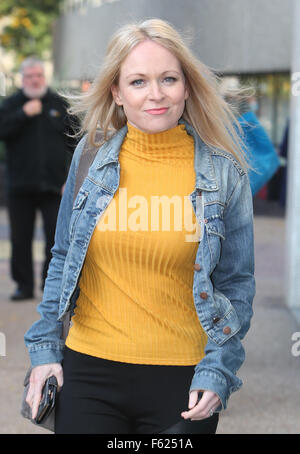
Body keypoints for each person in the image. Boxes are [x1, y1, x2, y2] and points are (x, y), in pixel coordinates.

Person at [24, 19, 255, 434]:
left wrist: (218, 371)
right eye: (137, 81)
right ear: (116, 91)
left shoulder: (224, 174)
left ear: (186, 86)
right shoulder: (90, 159)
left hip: (183, 382)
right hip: (89, 373)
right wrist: (44, 351)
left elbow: (236, 286)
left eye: (168, 78)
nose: (156, 94)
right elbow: (61, 258)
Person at [0, 57, 78, 301]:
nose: (35, 80)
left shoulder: (58, 104)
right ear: (23, 79)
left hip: (55, 186)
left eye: (39, 76)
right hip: (19, 186)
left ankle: (50, 285)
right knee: (20, 238)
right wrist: (23, 114)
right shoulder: (12, 104)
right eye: (30, 76)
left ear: (44, 77)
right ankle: (23, 286)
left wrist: (70, 178)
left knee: (55, 237)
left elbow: (75, 141)